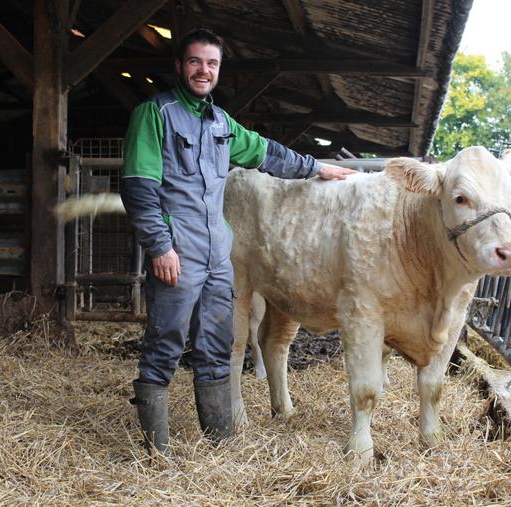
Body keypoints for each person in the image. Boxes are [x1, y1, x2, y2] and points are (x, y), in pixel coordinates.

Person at [121, 27, 355, 457]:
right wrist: (159, 246)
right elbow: (138, 186)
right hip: (178, 252)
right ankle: (157, 449)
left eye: (211, 64)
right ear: (179, 66)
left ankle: (219, 443)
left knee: (216, 345)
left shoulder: (221, 123)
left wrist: (316, 168)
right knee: (165, 343)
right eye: (195, 62)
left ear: (218, 70)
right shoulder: (155, 114)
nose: (203, 71)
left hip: (217, 257)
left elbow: (266, 153)